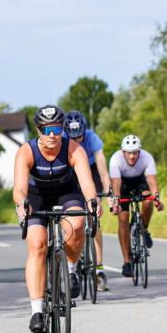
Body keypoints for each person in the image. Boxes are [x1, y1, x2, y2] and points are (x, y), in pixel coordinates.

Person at [12, 105, 100, 333]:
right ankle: (37, 311)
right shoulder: (26, 151)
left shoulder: (73, 149)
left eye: (57, 129)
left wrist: (92, 201)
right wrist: (22, 203)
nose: (52, 135)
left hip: (66, 192)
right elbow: (19, 189)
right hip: (36, 197)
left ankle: (70, 269)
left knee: (77, 223)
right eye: (46, 130)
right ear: (38, 130)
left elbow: (87, 183)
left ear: (62, 129)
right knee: (37, 245)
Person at [64, 110, 111, 291]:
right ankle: (72, 263)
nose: (76, 141)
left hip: (90, 170)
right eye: (72, 138)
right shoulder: (62, 139)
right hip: (70, 171)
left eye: (79, 137)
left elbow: (103, 172)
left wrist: (108, 194)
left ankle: (99, 269)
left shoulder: (92, 139)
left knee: (94, 217)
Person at [108, 135, 164, 279]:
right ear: (123, 152)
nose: (132, 156)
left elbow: (152, 181)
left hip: (140, 181)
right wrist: (116, 202)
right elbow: (116, 184)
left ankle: (144, 228)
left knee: (148, 200)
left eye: (135, 153)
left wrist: (157, 199)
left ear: (139, 151)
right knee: (123, 219)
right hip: (123, 184)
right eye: (128, 153)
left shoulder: (147, 157)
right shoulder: (115, 159)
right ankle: (127, 261)